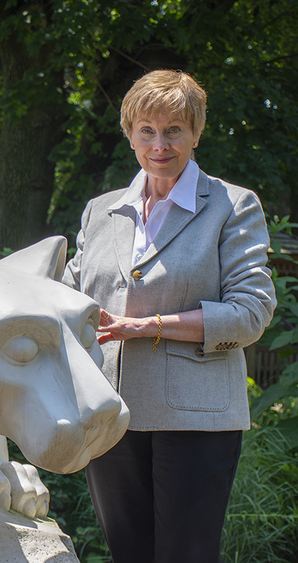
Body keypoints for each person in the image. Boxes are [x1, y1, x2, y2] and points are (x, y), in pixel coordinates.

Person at [62, 69, 276, 563]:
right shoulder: (100, 211)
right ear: (129, 133)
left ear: (196, 133)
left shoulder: (232, 205)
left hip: (196, 420)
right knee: (127, 554)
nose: (160, 144)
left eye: (174, 130)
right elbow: (67, 294)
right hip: (111, 412)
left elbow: (251, 313)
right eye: (147, 131)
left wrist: (152, 327)